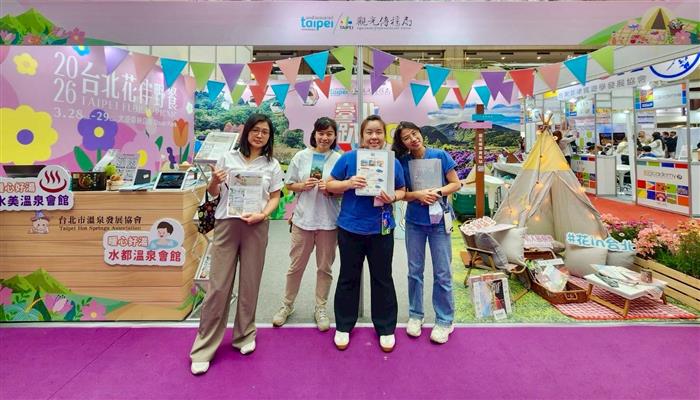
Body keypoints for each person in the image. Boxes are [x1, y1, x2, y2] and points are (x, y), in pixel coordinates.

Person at [190, 113, 284, 375]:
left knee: (250, 284)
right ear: (246, 132)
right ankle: (204, 347)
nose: (259, 135)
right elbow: (213, 194)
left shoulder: (272, 164)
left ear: (269, 137)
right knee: (218, 286)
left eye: (265, 132)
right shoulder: (227, 158)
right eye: (255, 130)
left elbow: (275, 197)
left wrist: (263, 215)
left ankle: (244, 335)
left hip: (256, 225)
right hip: (227, 224)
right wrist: (214, 181)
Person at [326, 115, 406, 353]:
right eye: (369, 132)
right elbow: (329, 184)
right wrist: (348, 183)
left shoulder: (392, 162)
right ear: (361, 136)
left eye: (378, 132)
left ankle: (386, 328)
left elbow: (402, 189)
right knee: (348, 277)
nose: (374, 137)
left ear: (384, 135)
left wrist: (394, 196)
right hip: (350, 228)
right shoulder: (349, 158)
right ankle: (343, 325)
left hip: (381, 228)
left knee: (382, 278)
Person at [391, 121, 461, 344]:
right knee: (414, 270)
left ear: (420, 133)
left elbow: (455, 184)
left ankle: (445, 320)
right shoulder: (403, 162)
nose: (412, 139)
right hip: (415, 222)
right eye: (406, 138)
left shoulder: (440, 155)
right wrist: (418, 195)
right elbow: (402, 193)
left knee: (442, 272)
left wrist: (437, 192)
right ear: (402, 143)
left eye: (414, 133)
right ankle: (415, 315)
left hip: (439, 221)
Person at [272, 117, 341, 331]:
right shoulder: (301, 156)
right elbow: (289, 184)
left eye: (329, 133)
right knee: (296, 266)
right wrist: (303, 185)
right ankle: (287, 304)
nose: (324, 137)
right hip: (303, 220)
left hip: (329, 222)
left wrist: (331, 189)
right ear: (314, 134)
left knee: (325, 268)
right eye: (321, 133)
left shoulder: (339, 159)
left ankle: (320, 307)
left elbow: (345, 190)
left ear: (335, 136)